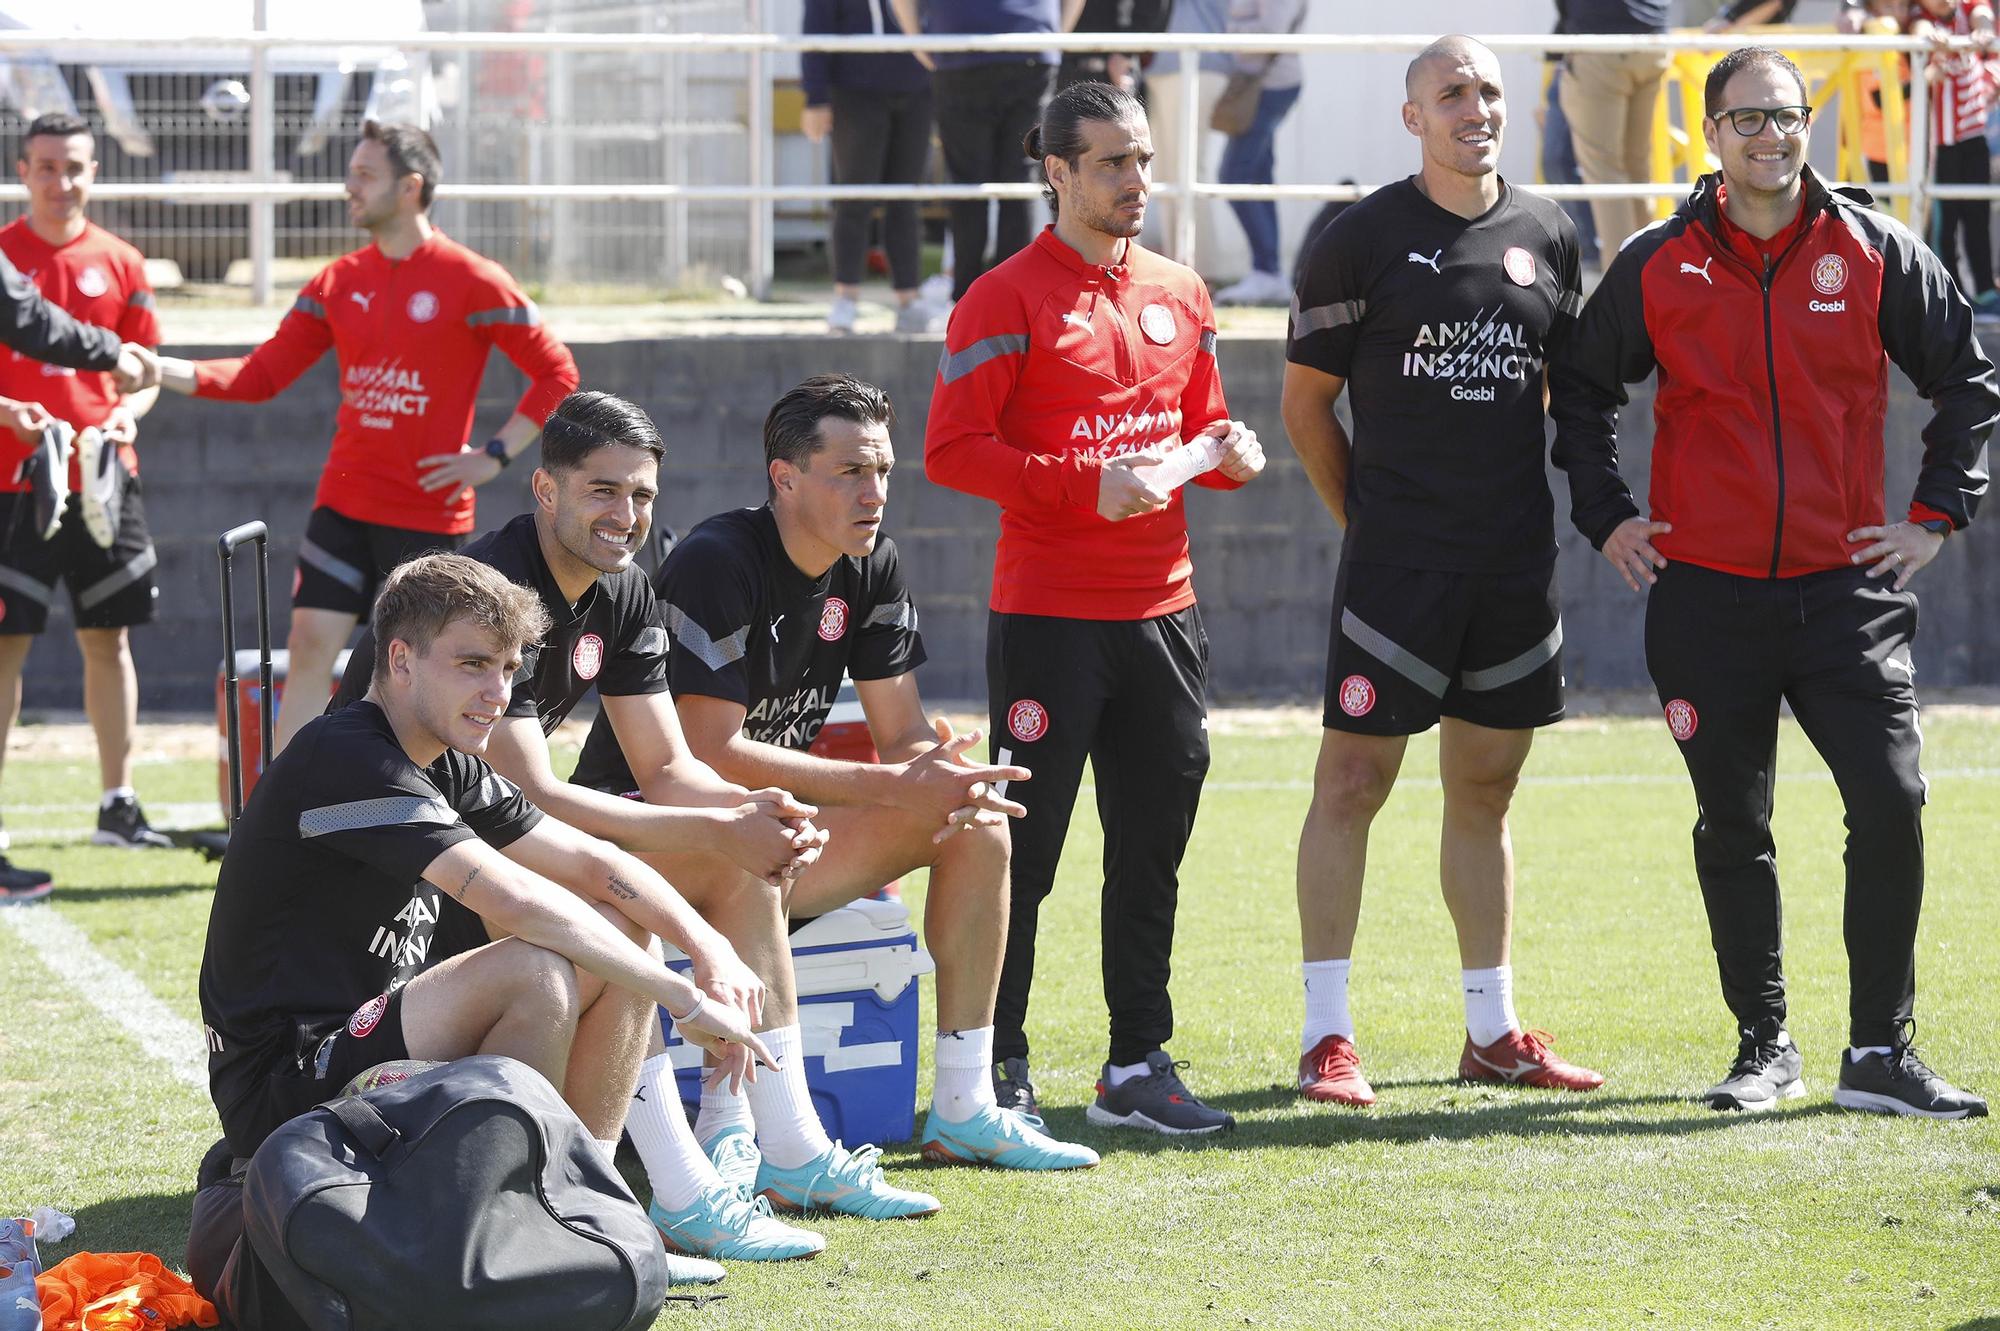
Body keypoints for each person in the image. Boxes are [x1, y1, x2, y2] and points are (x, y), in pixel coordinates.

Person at [1549, 46, 1994, 1119]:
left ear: (1807, 127)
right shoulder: (1657, 263)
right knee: (1730, 823)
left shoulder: (1872, 249)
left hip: (1846, 592)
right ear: (1711, 136)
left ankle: (1878, 1053)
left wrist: (1934, 517)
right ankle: (1763, 1046)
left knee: (1889, 803)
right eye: (1745, 118)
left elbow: (1964, 379)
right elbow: (1578, 387)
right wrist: (1606, 516)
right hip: (1705, 596)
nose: (1768, 136)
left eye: (1785, 117)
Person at [566, 376, 1097, 1227]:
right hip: (654, 853)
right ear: (784, 478)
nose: (875, 493)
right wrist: (890, 784)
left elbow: (902, 732)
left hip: (774, 843)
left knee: (978, 826)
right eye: (850, 471)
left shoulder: (871, 563)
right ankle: (772, 1143)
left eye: (884, 469)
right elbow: (706, 754)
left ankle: (963, 1104)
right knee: (760, 849)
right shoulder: (717, 560)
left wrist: (945, 774)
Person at [329, 390, 834, 1261]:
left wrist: (755, 815)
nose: (626, 515)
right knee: (621, 913)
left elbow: (667, 769)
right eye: (603, 490)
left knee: (739, 870)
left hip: (487, 843)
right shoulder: (494, 591)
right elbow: (531, 795)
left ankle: (770, 1142)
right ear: (546, 491)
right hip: (402, 883)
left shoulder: (627, 589)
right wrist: (720, 829)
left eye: (641, 495)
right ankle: (667, 1194)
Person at [197, 553, 777, 1288]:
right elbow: (515, 901)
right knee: (538, 970)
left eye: (508, 668)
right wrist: (684, 999)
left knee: (623, 934)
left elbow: (595, 863)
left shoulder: (444, 757)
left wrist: (709, 947)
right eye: (473, 664)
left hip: (378, 1043)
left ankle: (588, 1218)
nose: (496, 692)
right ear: (400, 661)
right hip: (286, 1087)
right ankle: (519, 1233)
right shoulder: (346, 753)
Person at [925, 80, 1266, 1135]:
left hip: (1163, 614)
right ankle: (1003, 1061)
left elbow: (1198, 428)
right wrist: (1081, 487)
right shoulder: (1000, 296)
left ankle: (1134, 1062)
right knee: (1023, 853)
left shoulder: (1180, 289)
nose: (1134, 182)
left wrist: (1228, 456)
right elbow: (949, 449)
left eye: (1143, 161)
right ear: (1055, 172)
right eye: (1111, 163)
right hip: (1048, 619)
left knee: (1151, 844)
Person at [1279, 36, 1605, 1110]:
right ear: (1412, 116)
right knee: (1350, 784)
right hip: (1395, 576)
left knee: (1483, 788)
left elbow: (1563, 396)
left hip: (1510, 568)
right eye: (1451, 92)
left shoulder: (1550, 234)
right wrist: (1365, 524)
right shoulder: (1356, 240)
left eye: (1490, 92)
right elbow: (1303, 408)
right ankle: (1327, 1034)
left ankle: (1490, 1028)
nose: (1476, 107)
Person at [155, 121, 580, 756]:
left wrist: (491, 457)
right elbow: (260, 375)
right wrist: (159, 368)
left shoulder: (473, 277)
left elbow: (557, 373)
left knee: (415, 673)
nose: (348, 187)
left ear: (411, 187)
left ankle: (409, 809)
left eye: (364, 175)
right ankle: (287, 809)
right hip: (345, 502)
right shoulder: (338, 280)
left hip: (428, 517)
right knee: (307, 652)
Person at [0, 113, 171, 905]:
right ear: (22, 169)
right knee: (7, 647)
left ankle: (119, 801)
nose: (59, 181)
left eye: (73, 166)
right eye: (44, 166)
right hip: (13, 479)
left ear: (94, 169)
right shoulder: (6, 253)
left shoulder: (124, 260)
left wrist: (127, 417)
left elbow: (144, 368)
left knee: (112, 638)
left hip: (105, 477)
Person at [893, 0, 1086, 302]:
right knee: (1018, 178)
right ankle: (1015, 296)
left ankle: (968, 299)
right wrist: (1054, 37)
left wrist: (918, 41)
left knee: (969, 182)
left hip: (959, 45)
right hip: (1031, 42)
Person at [800, 0, 941, 335]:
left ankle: (909, 299)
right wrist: (815, 96)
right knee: (854, 196)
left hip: (917, 87)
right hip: (854, 90)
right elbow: (816, 25)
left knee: (905, 199)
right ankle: (846, 296)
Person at [1213, 0, 1308, 306]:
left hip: (1270, 85)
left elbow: (1270, 31)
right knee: (1256, 175)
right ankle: (1267, 271)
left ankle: (1267, 271)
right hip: (1263, 84)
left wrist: (1222, 28)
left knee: (1235, 174)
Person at [1559, 0, 1670, 255]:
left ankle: (1624, 285)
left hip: (1600, 39)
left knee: (1605, 172)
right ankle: (1650, 276)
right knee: (1638, 168)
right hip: (1654, 38)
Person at [1910, 0, 2000, 313]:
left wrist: (1984, 30)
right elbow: (1920, 39)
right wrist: (1932, 47)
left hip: (1974, 136)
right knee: (1943, 222)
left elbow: (1983, 14)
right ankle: (1950, 293)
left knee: (1977, 214)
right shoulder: (1921, 19)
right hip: (1942, 143)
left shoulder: (1968, 12)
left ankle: (1986, 290)